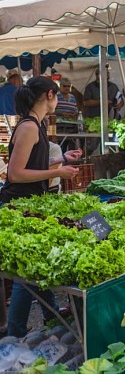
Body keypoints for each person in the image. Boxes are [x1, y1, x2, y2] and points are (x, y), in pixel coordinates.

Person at [1, 76, 82, 338]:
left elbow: (30, 167)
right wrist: (58, 171)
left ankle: (52, 315)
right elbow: (15, 174)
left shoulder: (37, 124)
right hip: (18, 206)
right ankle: (15, 335)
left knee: (36, 269)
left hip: (30, 204)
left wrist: (60, 160)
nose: (58, 101)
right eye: (57, 95)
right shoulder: (28, 127)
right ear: (49, 95)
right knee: (26, 278)